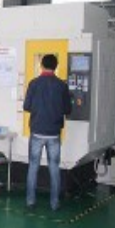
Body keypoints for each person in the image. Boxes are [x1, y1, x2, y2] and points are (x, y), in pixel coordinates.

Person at [23, 54, 72, 211]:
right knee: (54, 168)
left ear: (42, 65)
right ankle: (54, 203)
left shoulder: (34, 84)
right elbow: (67, 109)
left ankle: (30, 201)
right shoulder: (62, 86)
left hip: (37, 132)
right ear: (56, 67)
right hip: (54, 133)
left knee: (33, 167)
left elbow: (26, 106)